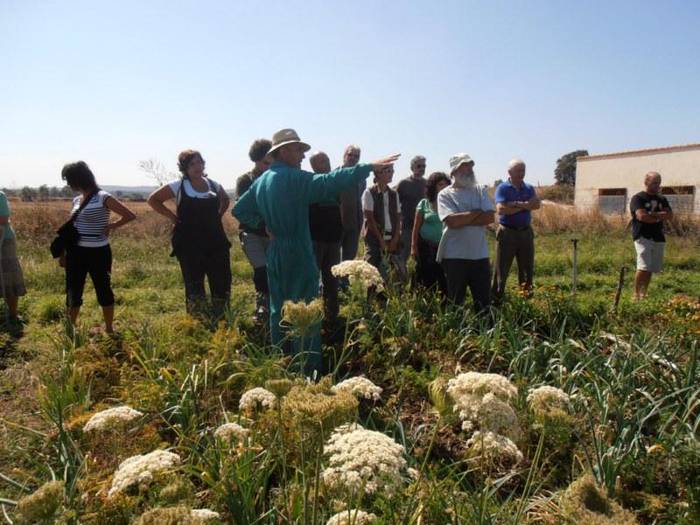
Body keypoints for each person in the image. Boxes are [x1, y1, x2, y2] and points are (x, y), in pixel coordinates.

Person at [233, 128, 399, 376]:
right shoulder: (294, 178)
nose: (302, 156)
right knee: (306, 308)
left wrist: (264, 225)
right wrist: (368, 167)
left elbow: (240, 211)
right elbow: (329, 182)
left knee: (279, 307)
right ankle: (307, 368)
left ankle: (282, 362)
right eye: (298, 150)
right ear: (284, 150)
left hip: (276, 251)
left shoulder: (263, 180)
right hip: (298, 250)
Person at [148, 150, 232, 319]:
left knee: (221, 281)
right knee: (194, 284)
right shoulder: (178, 186)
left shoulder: (214, 185)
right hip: (189, 244)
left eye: (200, 162)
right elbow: (153, 199)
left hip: (216, 241)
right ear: (184, 167)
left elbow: (226, 200)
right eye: (192, 164)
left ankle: (222, 319)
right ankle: (198, 323)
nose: (197, 167)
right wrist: (173, 217)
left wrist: (218, 215)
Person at [60, 161, 136, 333]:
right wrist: (63, 253)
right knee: (73, 290)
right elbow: (72, 228)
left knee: (103, 289)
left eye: (69, 180)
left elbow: (130, 215)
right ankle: (70, 329)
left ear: (78, 179)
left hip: (98, 252)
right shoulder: (76, 200)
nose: (68, 184)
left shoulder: (103, 197)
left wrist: (111, 226)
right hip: (75, 252)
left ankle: (109, 328)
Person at [437, 154, 495, 313]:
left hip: (479, 255)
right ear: (454, 170)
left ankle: (484, 335)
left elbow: (489, 217)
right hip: (454, 256)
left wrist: (464, 217)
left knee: (484, 303)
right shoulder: (445, 194)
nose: (469, 169)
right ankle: (457, 335)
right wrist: (477, 213)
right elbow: (451, 222)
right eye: (465, 165)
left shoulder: (480, 190)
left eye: (471, 165)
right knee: (456, 302)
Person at [491, 158, 540, 300]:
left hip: (525, 232)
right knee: (501, 270)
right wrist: (525, 205)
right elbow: (501, 210)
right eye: (518, 170)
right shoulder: (503, 188)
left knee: (526, 270)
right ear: (509, 172)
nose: (521, 173)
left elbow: (536, 205)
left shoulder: (529, 188)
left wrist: (516, 204)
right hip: (507, 233)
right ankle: (496, 301)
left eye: (523, 170)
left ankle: (526, 302)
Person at [235, 139, 272, 322]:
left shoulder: (274, 178)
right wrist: (262, 224)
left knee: (273, 271)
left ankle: (274, 308)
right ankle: (262, 308)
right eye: (266, 162)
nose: (269, 165)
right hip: (252, 233)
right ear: (256, 160)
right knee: (262, 270)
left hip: (273, 234)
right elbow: (240, 210)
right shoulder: (246, 180)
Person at [308, 151, 342, 328]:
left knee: (332, 278)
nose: (327, 163)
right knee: (313, 279)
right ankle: (312, 316)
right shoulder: (311, 184)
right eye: (322, 161)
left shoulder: (334, 183)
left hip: (334, 239)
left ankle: (332, 316)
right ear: (314, 165)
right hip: (315, 239)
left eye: (327, 159)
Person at [630, 171, 673, 301]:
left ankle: (644, 293)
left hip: (658, 236)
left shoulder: (662, 198)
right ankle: (636, 294)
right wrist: (660, 216)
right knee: (643, 267)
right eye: (654, 182)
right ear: (646, 182)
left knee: (651, 268)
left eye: (659, 183)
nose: (657, 185)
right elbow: (642, 216)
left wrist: (652, 215)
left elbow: (670, 215)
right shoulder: (638, 198)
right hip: (643, 236)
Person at [410, 171, 450, 294]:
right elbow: (416, 228)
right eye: (440, 184)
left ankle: (444, 304)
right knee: (425, 276)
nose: (443, 187)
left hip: (445, 248)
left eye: (446, 185)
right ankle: (423, 304)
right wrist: (413, 247)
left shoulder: (451, 204)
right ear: (433, 187)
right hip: (426, 247)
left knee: (443, 278)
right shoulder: (424, 204)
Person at [362, 164, 401, 281]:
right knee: (371, 269)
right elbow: (370, 219)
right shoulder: (369, 192)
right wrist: (381, 240)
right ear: (378, 173)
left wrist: (395, 238)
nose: (392, 173)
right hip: (374, 238)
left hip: (391, 236)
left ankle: (386, 297)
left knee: (392, 271)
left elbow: (398, 217)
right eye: (388, 171)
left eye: (392, 170)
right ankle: (370, 297)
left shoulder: (394, 194)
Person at [396, 155, 427, 273]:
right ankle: (399, 285)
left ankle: (418, 284)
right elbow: (395, 204)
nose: (422, 168)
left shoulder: (428, 184)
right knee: (402, 257)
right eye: (419, 166)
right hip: (407, 226)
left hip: (424, 227)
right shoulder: (404, 184)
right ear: (412, 167)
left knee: (421, 256)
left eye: (424, 166)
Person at [0, 190, 26, 322]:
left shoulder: (0, 196)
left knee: (9, 275)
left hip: (4, 241)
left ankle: (13, 314)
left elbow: (3, 219)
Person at [338, 144, 364, 261]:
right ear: (344, 156)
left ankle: (344, 280)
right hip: (337, 224)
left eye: (356, 156)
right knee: (332, 260)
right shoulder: (335, 175)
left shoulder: (361, 179)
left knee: (349, 261)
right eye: (350, 155)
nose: (353, 158)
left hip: (354, 224)